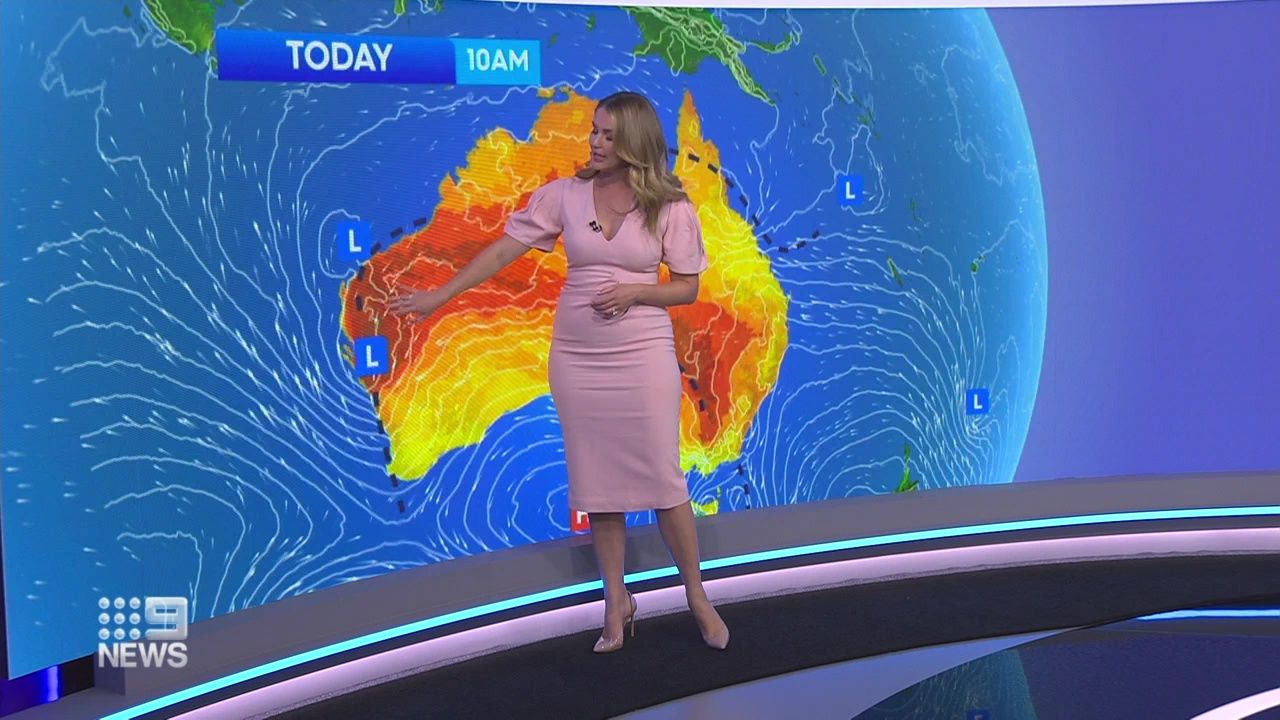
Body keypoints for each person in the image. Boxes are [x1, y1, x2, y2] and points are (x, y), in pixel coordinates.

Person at [388, 91, 730, 653]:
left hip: (643, 356)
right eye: (594, 131)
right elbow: (503, 252)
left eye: (608, 135)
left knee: (664, 482)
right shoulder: (565, 196)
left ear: (634, 143)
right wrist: (440, 296)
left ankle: (697, 597)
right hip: (578, 359)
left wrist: (635, 292)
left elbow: (687, 287)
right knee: (599, 487)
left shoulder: (670, 207)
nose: (595, 142)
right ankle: (615, 603)